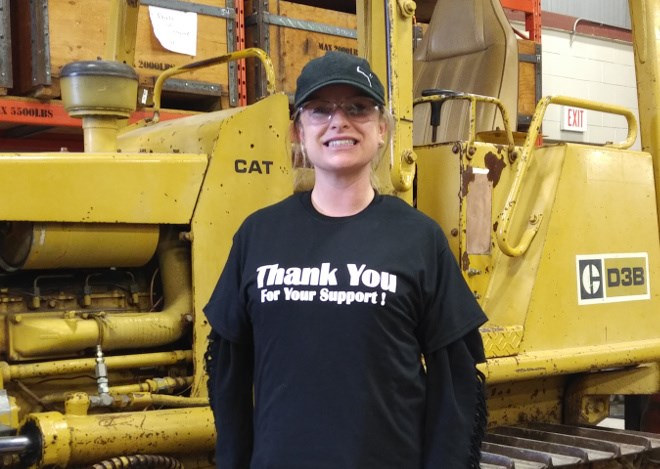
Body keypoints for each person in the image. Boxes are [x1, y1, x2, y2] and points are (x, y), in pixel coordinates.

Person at [204, 50, 488, 469]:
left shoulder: (418, 239)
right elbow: (228, 374)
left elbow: (457, 384)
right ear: (298, 130)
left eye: (358, 108)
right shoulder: (259, 235)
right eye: (320, 110)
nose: (339, 121)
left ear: (381, 129)